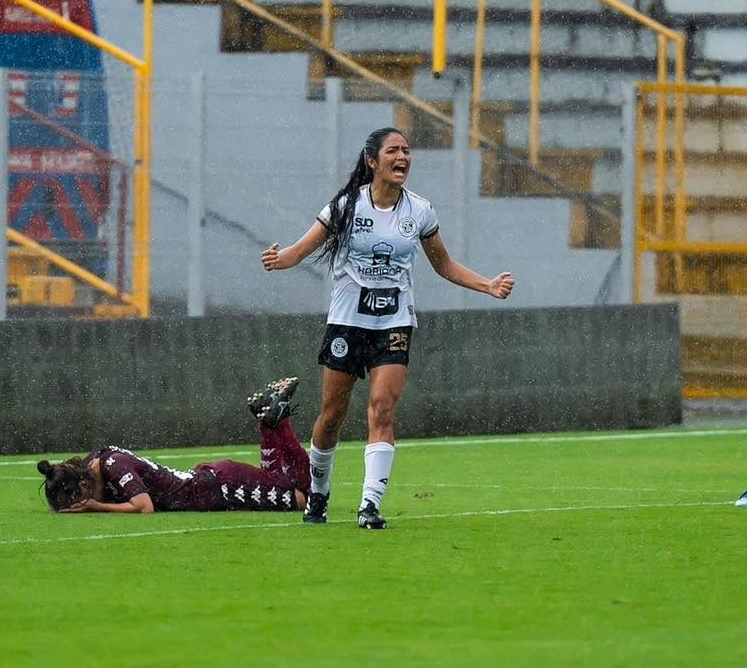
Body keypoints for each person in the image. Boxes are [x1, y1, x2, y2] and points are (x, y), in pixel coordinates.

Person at [260, 127, 515, 530]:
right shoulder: (346, 207)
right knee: (332, 415)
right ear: (372, 161)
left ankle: (369, 505)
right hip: (346, 323)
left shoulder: (420, 212)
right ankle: (319, 493)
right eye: (393, 151)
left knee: (382, 408)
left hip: (394, 323)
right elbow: (302, 249)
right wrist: (280, 258)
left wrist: (488, 285)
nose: (403, 158)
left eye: (407, 151)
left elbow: (443, 265)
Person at [37, 378, 308, 514]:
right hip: (210, 482)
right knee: (282, 481)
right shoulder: (90, 465)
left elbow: (145, 507)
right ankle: (269, 421)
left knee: (303, 498)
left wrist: (98, 506)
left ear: (84, 486)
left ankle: (277, 421)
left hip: (221, 487)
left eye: (77, 502)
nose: (80, 508)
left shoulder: (113, 466)